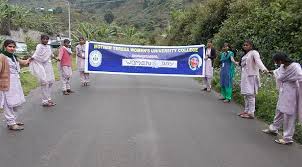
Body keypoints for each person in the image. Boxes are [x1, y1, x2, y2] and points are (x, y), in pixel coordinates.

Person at [262, 52, 302, 145]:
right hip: (284, 90)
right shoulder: (282, 66)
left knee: (289, 114)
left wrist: (295, 82)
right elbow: (277, 72)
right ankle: (273, 129)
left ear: (280, 60)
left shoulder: (295, 67)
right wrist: (269, 71)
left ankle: (287, 138)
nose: (277, 63)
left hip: (292, 92)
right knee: (279, 110)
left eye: (276, 61)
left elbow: (300, 76)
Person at [0, 40, 29, 130]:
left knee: (15, 102)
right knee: (8, 103)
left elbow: (23, 63)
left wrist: (31, 59)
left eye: (13, 47)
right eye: (10, 46)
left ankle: (13, 120)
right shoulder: (2, 57)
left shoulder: (13, 56)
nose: (12, 48)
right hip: (6, 82)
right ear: (5, 47)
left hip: (15, 81)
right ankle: (11, 123)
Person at [238, 40, 269, 119]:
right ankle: (246, 111)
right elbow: (242, 65)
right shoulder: (245, 54)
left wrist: (263, 69)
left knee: (250, 95)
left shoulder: (254, 52)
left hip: (251, 76)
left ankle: (251, 113)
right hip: (245, 76)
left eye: (247, 45)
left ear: (251, 46)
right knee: (246, 95)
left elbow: (258, 61)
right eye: (244, 45)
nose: (245, 46)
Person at [29, 35, 56, 107]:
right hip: (41, 66)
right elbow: (36, 54)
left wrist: (55, 58)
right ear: (41, 40)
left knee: (50, 82)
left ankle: (49, 98)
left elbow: (51, 54)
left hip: (48, 66)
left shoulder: (48, 47)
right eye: (44, 39)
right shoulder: (39, 46)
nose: (45, 40)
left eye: (47, 39)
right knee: (44, 83)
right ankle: (45, 101)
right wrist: (31, 59)